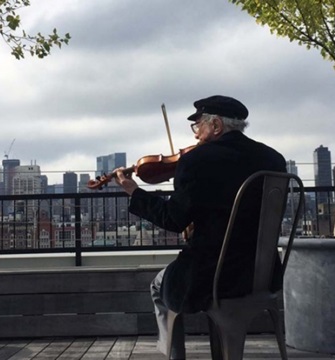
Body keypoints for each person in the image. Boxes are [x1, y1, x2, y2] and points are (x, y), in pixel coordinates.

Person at [113, 95, 287, 359]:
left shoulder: (197, 161)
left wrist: (134, 191)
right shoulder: (274, 159)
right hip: (264, 275)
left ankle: (173, 356)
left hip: (212, 277)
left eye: (198, 127)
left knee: (158, 286)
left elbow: (173, 220)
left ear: (216, 125)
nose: (196, 137)